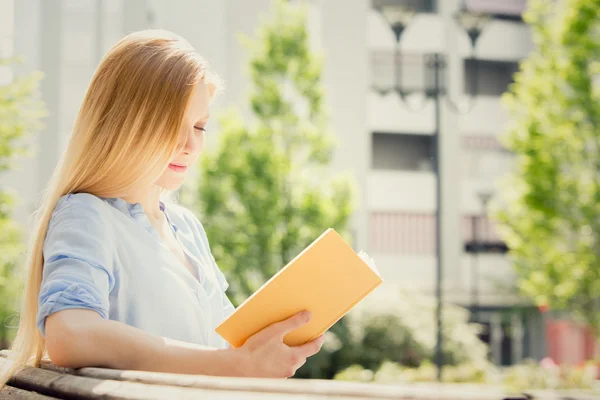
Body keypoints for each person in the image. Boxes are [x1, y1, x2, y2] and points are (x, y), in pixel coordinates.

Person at [0, 29, 325, 388]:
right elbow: (70, 334)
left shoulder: (186, 227)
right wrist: (232, 363)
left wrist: (264, 350)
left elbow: (220, 347)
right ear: (125, 122)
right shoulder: (87, 215)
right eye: (172, 126)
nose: (190, 145)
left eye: (200, 126)